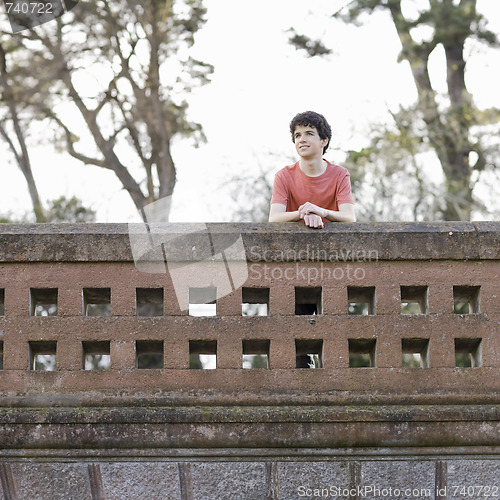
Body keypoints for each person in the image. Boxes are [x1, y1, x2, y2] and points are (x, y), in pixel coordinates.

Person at [269, 111, 356, 228]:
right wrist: (304, 213)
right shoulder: (283, 176)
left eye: (309, 133)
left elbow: (350, 217)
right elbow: (274, 218)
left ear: (324, 141)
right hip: (292, 242)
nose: (301, 140)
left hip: (332, 242)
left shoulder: (340, 174)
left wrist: (322, 212)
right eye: (297, 135)